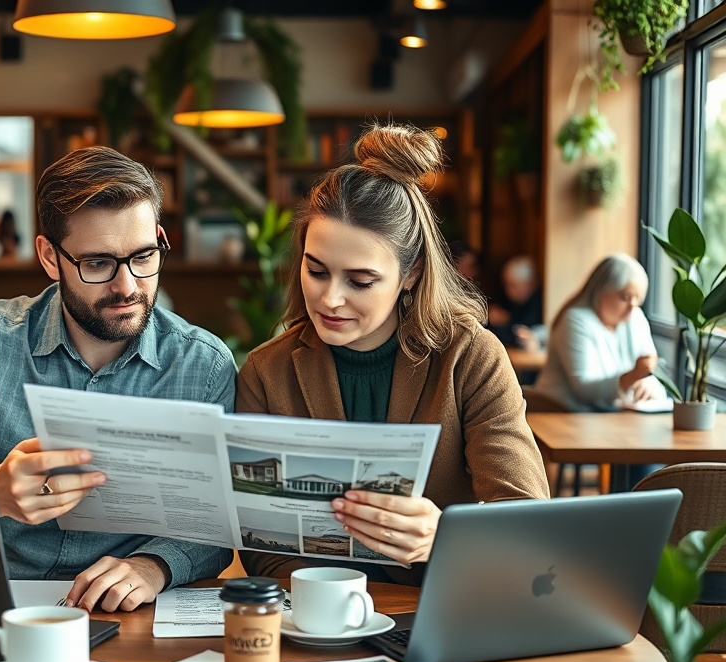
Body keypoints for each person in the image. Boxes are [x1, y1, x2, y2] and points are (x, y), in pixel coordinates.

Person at [0, 146, 236, 611]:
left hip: (127, 607)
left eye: (144, 256)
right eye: (98, 264)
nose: (127, 286)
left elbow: (215, 527)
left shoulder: (203, 366)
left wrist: (155, 566)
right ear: (50, 257)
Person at [235, 122, 549, 586]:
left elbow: (528, 519)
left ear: (411, 273)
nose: (330, 299)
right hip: (315, 620)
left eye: (360, 281)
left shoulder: (471, 357)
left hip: (441, 605)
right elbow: (259, 542)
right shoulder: (267, 370)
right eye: (316, 270)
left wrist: (442, 534)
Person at [533, 253, 665, 413]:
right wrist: (633, 376)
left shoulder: (635, 317)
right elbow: (584, 390)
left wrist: (646, 384)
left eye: (638, 299)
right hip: (560, 413)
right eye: (625, 297)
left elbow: (651, 373)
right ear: (601, 290)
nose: (632, 306)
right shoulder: (575, 320)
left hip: (606, 416)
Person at [487, 255, 544, 349]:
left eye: (513, 285)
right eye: (506, 284)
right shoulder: (508, 298)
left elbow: (520, 335)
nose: (507, 290)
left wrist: (506, 322)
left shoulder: (539, 303)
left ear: (529, 284)